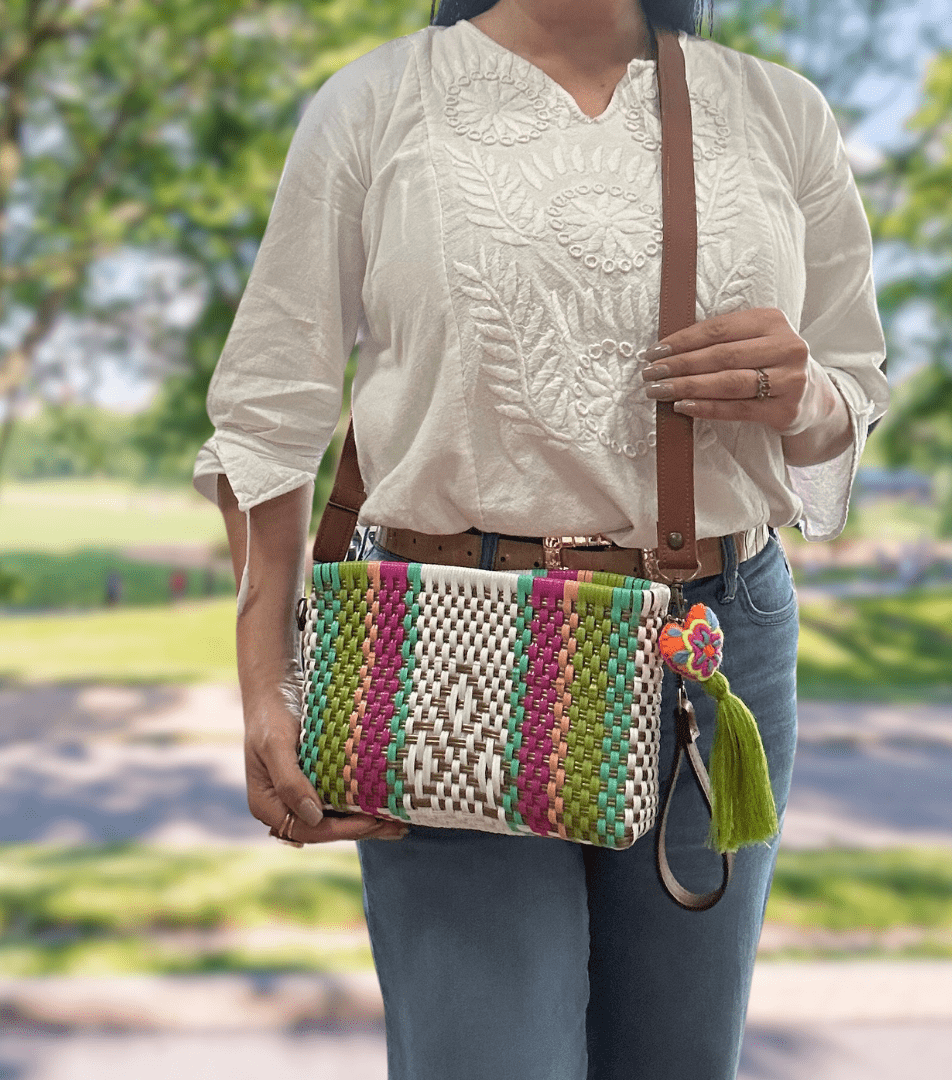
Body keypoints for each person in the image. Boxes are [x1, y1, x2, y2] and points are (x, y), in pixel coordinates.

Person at [192, 1, 888, 1076]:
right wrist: (263, 674)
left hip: (712, 647)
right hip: (453, 638)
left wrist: (802, 393)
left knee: (681, 1059)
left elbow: (854, 382)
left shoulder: (777, 112)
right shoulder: (378, 102)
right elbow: (266, 405)